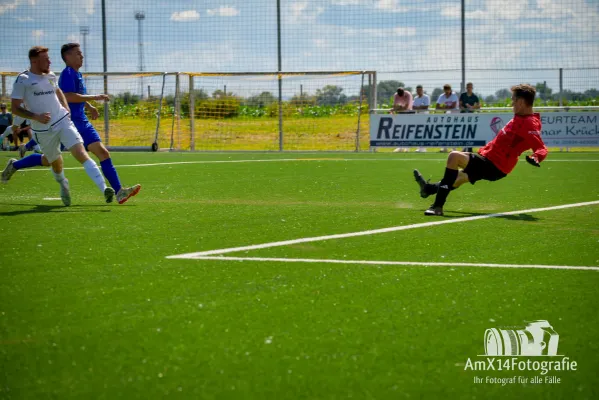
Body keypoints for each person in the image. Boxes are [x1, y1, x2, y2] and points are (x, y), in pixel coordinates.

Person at [413, 83, 548, 216]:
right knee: (458, 178)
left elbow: (541, 148)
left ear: (521, 102)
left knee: (454, 157)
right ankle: (428, 189)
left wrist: (536, 157)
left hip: (495, 164)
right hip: (489, 159)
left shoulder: (529, 123)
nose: (511, 103)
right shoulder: (520, 117)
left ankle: (437, 207)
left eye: (513, 100)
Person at [1, 46, 112, 206]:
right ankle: (62, 183)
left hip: (63, 121)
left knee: (81, 153)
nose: (50, 61)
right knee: (53, 162)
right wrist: (35, 117)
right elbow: (15, 108)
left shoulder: (51, 75)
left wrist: (65, 108)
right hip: (43, 129)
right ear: (34, 61)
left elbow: (59, 91)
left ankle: (104, 189)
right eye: (45, 59)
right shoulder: (23, 80)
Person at [59, 43, 140, 204]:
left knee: (103, 153)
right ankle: (16, 165)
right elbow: (68, 97)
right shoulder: (68, 73)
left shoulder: (77, 74)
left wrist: (89, 106)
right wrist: (95, 97)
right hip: (70, 123)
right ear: (67, 57)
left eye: (81, 54)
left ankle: (119, 192)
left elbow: (77, 96)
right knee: (49, 158)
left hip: (82, 122)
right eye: (77, 54)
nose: (81, 56)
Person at [435, 84, 459, 152]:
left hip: (455, 115)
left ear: (450, 90)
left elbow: (453, 106)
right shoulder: (442, 96)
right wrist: (446, 108)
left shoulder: (454, 95)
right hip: (447, 115)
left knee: (453, 131)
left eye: (448, 90)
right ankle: (444, 148)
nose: (447, 92)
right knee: (445, 130)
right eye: (445, 90)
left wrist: (443, 107)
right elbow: (437, 106)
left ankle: (454, 148)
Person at [391, 87, 413, 153]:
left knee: (407, 130)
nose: (401, 96)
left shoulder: (408, 94)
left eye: (402, 94)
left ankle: (407, 148)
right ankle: (399, 147)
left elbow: (406, 107)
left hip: (409, 112)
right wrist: (399, 108)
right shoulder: (396, 95)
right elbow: (394, 106)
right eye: (399, 95)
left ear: (404, 92)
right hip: (401, 113)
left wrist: (398, 108)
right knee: (400, 130)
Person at [459, 82, 480, 152]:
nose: (469, 88)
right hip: (463, 115)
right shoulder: (463, 95)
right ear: (466, 88)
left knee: (470, 131)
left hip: (471, 116)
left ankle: (469, 147)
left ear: (472, 88)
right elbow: (460, 105)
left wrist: (472, 107)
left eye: (470, 87)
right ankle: (465, 147)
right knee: (464, 131)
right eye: (468, 87)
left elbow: (479, 105)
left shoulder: (474, 96)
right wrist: (464, 108)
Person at [412, 84, 429, 153]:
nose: (418, 91)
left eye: (420, 90)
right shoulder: (415, 98)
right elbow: (413, 107)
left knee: (423, 132)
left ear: (422, 90)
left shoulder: (426, 97)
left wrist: (418, 107)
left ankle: (423, 148)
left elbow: (426, 107)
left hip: (424, 116)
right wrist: (420, 107)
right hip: (417, 115)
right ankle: (418, 148)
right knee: (417, 132)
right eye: (417, 90)